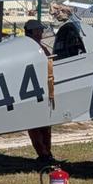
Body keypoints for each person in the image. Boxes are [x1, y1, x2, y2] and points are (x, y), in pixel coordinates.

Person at [24, 19, 54, 164]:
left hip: (37, 90)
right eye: (39, 30)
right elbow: (50, 61)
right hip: (34, 92)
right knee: (38, 124)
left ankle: (46, 152)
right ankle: (44, 153)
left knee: (43, 124)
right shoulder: (36, 48)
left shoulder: (31, 47)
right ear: (34, 31)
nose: (41, 32)